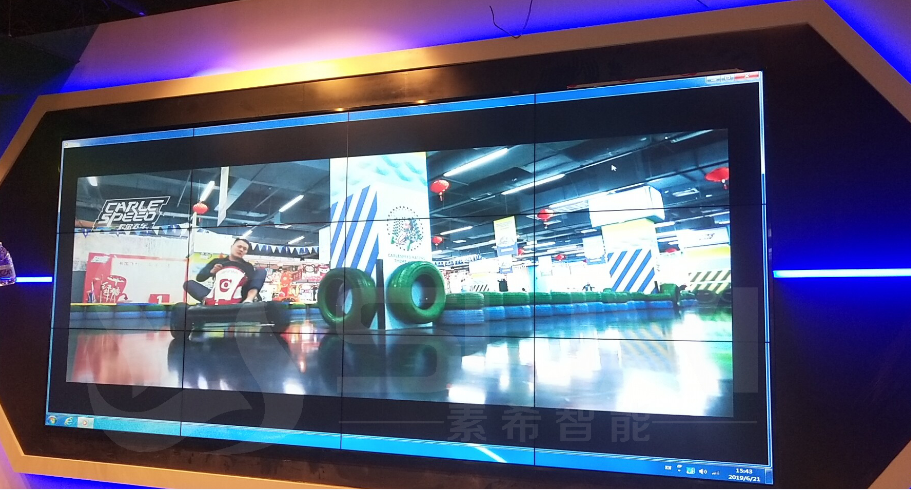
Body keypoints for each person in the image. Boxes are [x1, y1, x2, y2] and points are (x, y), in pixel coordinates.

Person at [184, 238, 266, 303]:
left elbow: (252, 283)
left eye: (244, 249)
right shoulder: (217, 261)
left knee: (261, 271)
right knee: (189, 284)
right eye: (239, 246)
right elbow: (199, 278)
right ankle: (207, 301)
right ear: (232, 247)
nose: (241, 250)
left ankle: (249, 300)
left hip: (240, 296)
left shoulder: (248, 266)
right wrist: (211, 272)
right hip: (218, 295)